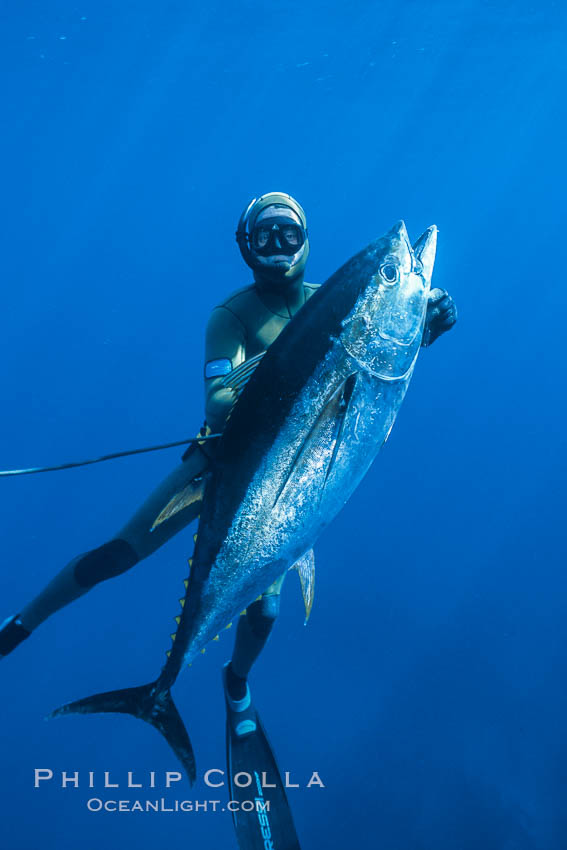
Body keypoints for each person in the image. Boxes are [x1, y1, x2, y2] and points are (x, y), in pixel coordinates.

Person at [0, 192, 457, 737]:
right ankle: (19, 624)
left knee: (264, 615)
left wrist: (421, 326)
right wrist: (287, 359)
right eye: (264, 237)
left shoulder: (330, 302)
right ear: (246, 247)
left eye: (288, 233)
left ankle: (233, 683)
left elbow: (365, 370)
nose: (278, 246)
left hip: (287, 482)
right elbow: (218, 401)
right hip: (218, 464)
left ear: (307, 238)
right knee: (116, 554)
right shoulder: (233, 314)